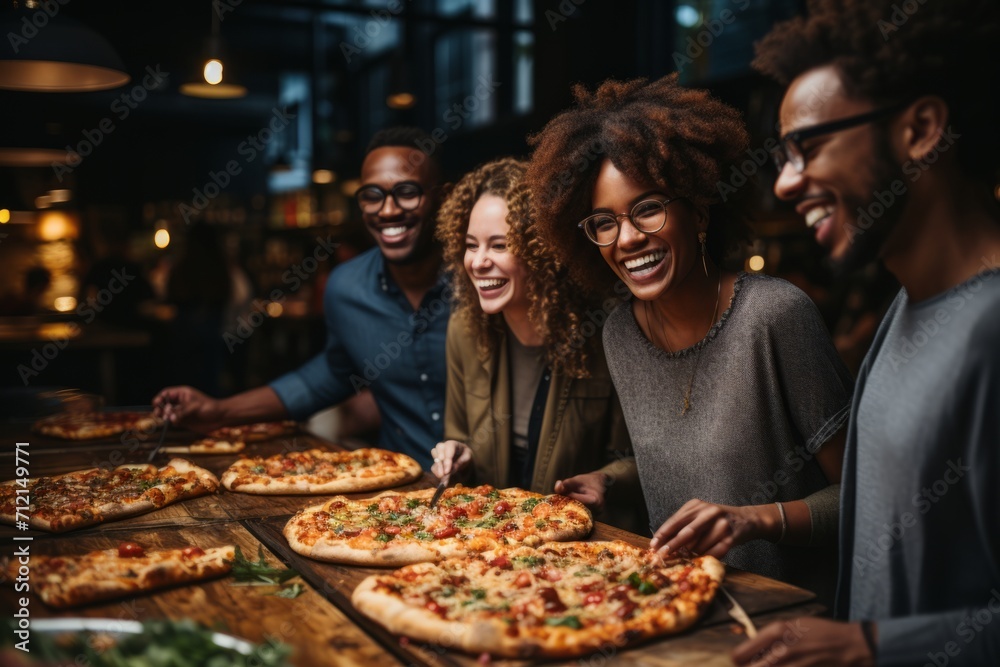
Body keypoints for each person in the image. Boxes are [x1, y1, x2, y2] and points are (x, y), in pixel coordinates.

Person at [731, 1, 1000, 665]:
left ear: (921, 129)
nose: (788, 183)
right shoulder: (903, 311)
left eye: (809, 148)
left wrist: (869, 645)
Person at [525, 74, 854, 602]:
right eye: (603, 222)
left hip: (789, 625)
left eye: (648, 208)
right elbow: (680, 459)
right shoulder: (619, 334)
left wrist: (755, 520)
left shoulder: (773, 316)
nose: (628, 238)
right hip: (681, 614)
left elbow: (866, 496)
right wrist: (612, 479)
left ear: (698, 210)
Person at [154, 127, 450, 469]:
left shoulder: (483, 278)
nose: (387, 210)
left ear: (443, 197)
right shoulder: (347, 287)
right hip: (402, 489)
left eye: (407, 192)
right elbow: (327, 376)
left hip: (498, 493)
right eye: (372, 195)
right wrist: (218, 411)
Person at [429, 158, 646, 533]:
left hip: (583, 547)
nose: (478, 262)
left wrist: (606, 479)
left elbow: (644, 463)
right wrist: (457, 455)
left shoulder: (608, 333)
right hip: (486, 540)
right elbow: (460, 436)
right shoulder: (464, 330)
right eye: (470, 245)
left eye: (499, 246)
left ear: (542, 250)